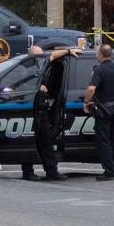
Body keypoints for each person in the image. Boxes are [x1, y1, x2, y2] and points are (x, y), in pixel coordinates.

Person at [21, 45, 81, 181]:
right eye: (38, 55)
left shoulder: (43, 64)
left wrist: (68, 51)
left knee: (46, 143)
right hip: (31, 110)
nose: (42, 58)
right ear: (31, 56)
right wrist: (36, 87)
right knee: (29, 142)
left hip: (42, 111)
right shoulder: (24, 70)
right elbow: (20, 87)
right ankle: (28, 172)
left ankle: (52, 172)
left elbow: (53, 55)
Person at [83, 44, 114, 181]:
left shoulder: (99, 70)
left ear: (100, 55)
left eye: (96, 52)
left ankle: (110, 172)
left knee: (104, 141)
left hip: (104, 111)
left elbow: (91, 88)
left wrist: (86, 101)